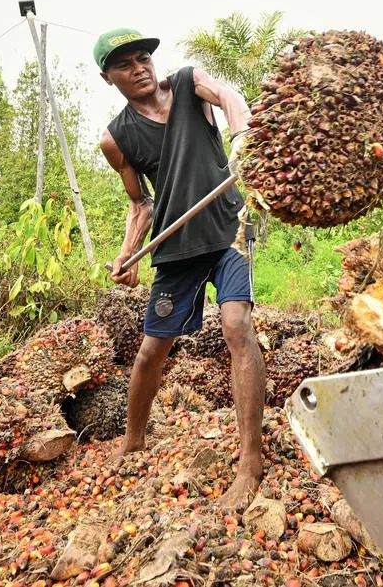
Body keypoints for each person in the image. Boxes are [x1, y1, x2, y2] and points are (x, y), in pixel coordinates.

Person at [94, 27, 265, 512]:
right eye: (125, 63)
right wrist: (127, 252)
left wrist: (242, 137)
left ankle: (250, 461)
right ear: (109, 77)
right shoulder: (116, 137)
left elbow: (231, 96)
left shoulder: (190, 83)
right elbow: (141, 204)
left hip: (227, 230)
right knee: (151, 353)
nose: (140, 66)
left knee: (237, 326)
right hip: (175, 248)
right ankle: (133, 439)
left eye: (144, 56)